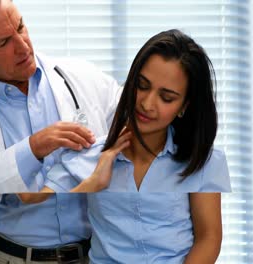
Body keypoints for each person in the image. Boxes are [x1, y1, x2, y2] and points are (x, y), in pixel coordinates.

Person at [20, 29, 231, 263]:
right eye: (142, 85)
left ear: (184, 106)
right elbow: (30, 199)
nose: (147, 104)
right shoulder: (90, 154)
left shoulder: (202, 161)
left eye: (167, 97)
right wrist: (90, 183)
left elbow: (209, 238)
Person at [0, 0, 120, 263]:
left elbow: (137, 128)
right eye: (3, 43)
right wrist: (30, 149)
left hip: (94, 254)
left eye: (20, 27)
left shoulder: (84, 77)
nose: (23, 47)